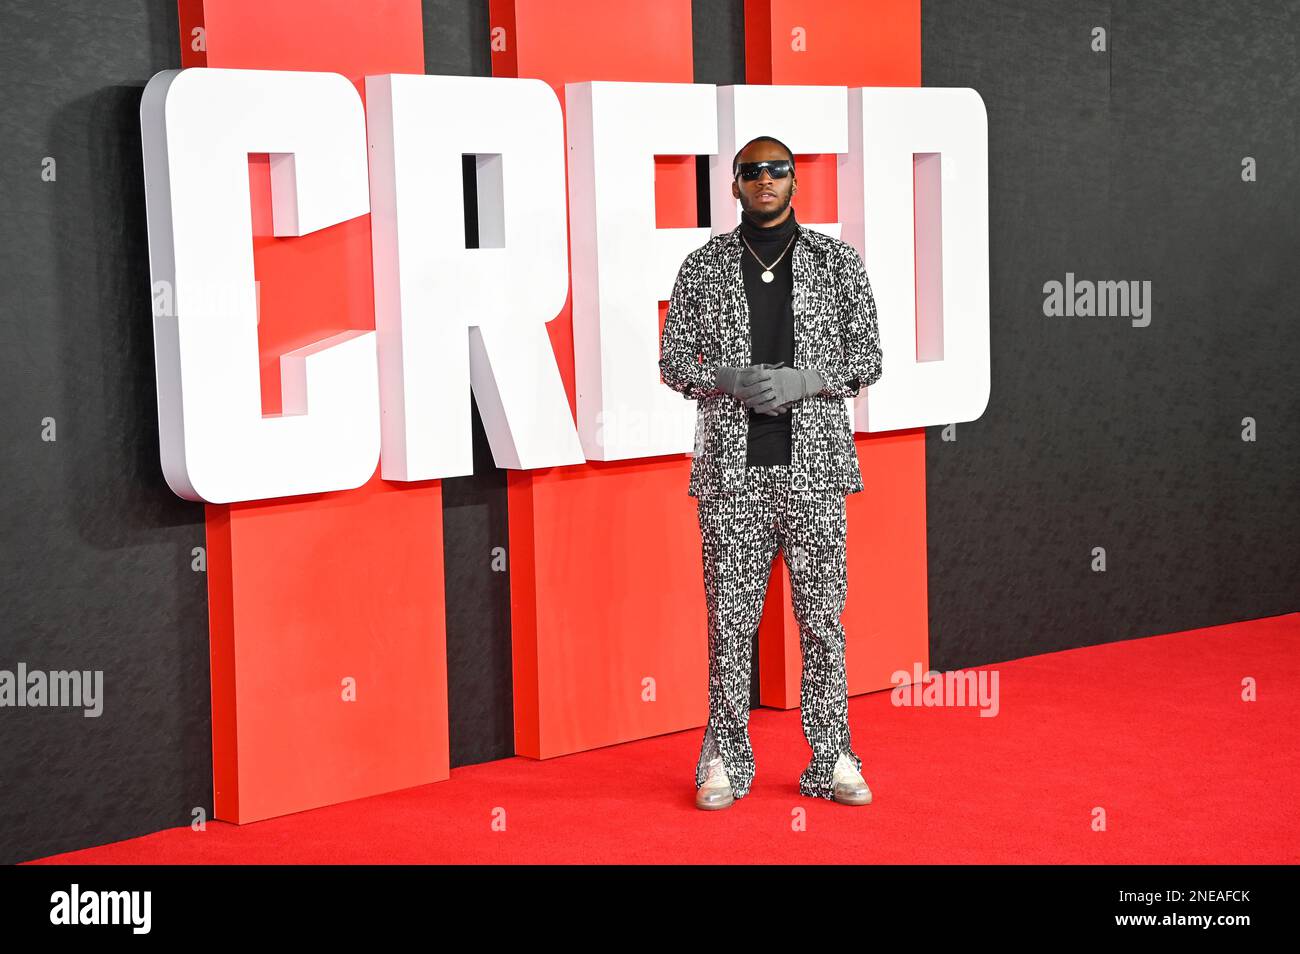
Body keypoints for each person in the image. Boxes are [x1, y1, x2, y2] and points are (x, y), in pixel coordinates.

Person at [657, 135, 884, 810]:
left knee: (822, 620)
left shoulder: (837, 263)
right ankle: (722, 760)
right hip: (733, 476)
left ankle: (834, 757)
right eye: (751, 172)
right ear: (733, 186)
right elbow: (673, 361)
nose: (765, 180)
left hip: (814, 471)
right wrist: (722, 377)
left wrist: (805, 379)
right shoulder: (702, 267)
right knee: (729, 624)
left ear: (794, 181)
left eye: (777, 170)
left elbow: (867, 357)